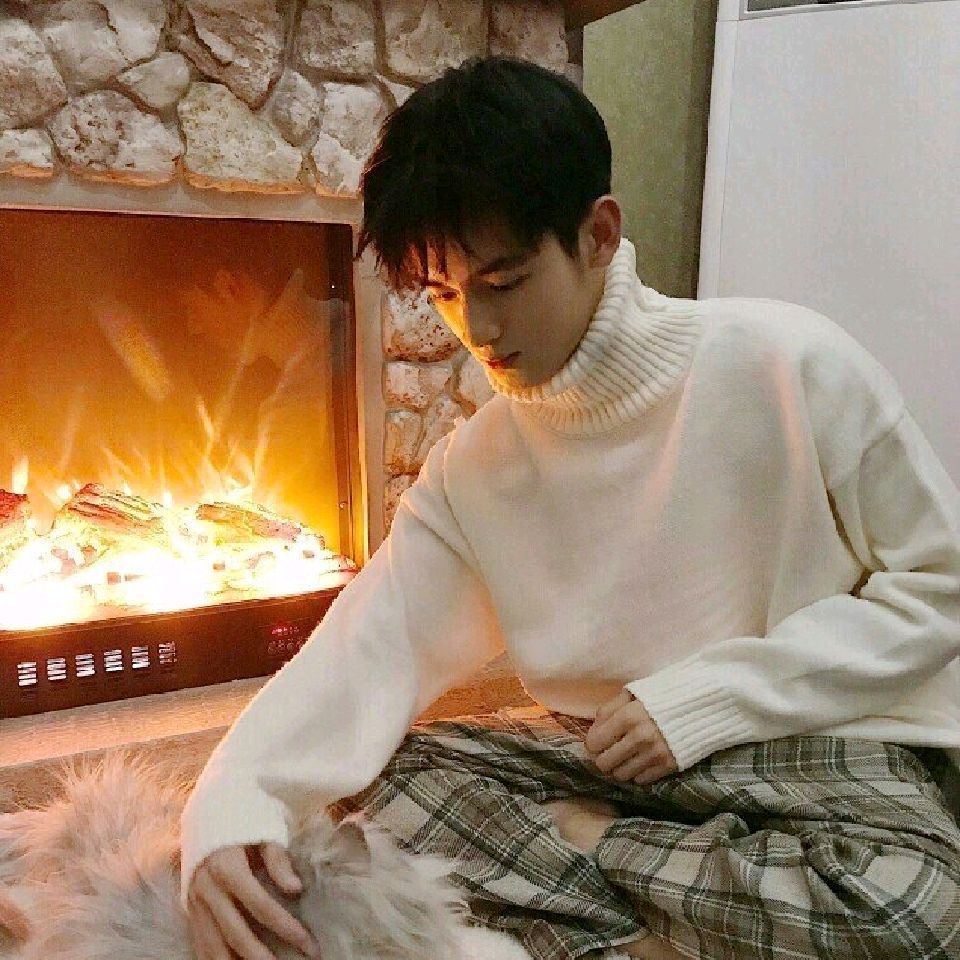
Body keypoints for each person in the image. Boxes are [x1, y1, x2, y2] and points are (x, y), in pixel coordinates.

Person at [181, 56, 960, 960]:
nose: (477, 329)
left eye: (503, 282)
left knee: (914, 908)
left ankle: (602, 884)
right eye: (445, 295)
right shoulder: (475, 467)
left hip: (811, 747)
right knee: (385, 784)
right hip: (605, 758)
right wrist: (226, 805)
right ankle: (677, 924)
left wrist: (708, 701)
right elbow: (365, 650)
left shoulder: (790, 366)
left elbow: (941, 585)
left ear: (598, 234)